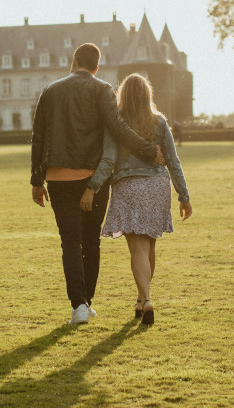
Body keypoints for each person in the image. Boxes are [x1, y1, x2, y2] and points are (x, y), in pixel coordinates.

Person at [31, 43, 163, 326]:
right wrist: (150, 150)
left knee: (69, 242)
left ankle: (79, 305)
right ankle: (86, 301)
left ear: (73, 61)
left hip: (57, 178)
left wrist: (36, 180)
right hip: (92, 180)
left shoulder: (50, 91)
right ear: (97, 67)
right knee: (90, 242)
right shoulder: (102, 89)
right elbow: (119, 130)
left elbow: (38, 136)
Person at [82, 73, 191, 326]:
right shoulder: (159, 122)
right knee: (149, 247)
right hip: (157, 185)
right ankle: (142, 300)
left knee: (138, 249)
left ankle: (148, 299)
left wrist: (93, 186)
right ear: (147, 95)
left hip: (129, 187)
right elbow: (173, 162)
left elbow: (108, 160)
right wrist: (184, 196)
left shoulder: (116, 122)